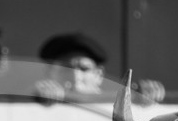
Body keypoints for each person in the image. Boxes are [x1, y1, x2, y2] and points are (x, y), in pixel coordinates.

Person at [33, 32, 165, 104]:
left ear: (99, 75)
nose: (75, 76)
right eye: (66, 68)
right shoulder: (36, 99)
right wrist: (38, 97)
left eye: (84, 69)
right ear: (48, 72)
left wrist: (148, 96)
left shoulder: (122, 104)